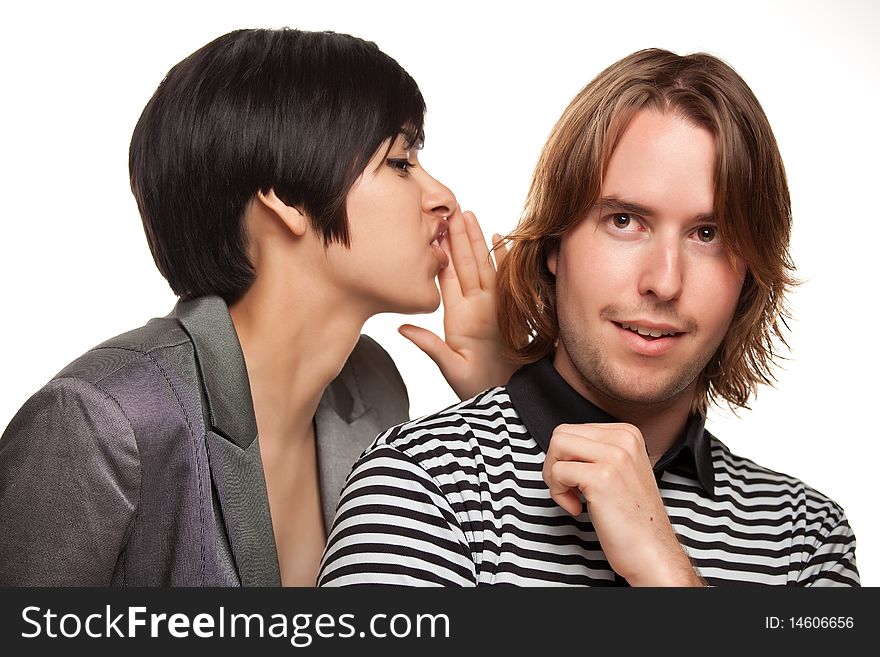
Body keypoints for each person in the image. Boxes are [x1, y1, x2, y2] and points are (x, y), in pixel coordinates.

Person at [317, 48, 860, 587]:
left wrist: (666, 575)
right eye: (625, 221)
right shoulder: (421, 485)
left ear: (749, 275)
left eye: (707, 235)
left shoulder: (807, 537)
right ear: (555, 242)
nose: (664, 281)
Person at [0, 28, 515, 586]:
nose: (442, 195)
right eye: (399, 161)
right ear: (287, 199)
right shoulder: (99, 422)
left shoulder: (372, 390)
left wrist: (496, 406)